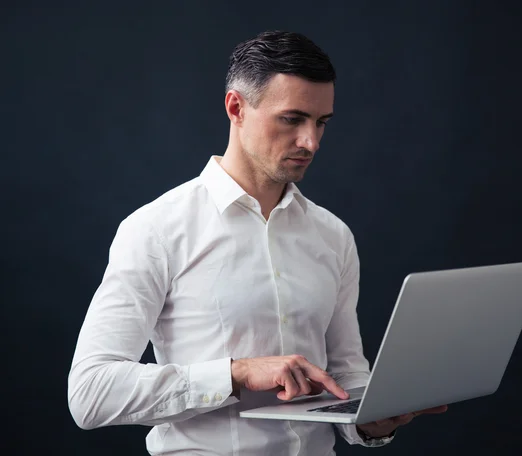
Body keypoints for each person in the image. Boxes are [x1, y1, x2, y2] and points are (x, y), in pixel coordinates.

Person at [67, 30, 447, 455]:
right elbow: (90, 393)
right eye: (292, 119)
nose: (312, 142)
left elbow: (347, 375)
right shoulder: (155, 229)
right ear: (236, 108)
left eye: (321, 122)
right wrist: (236, 373)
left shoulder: (333, 235)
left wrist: (374, 421)